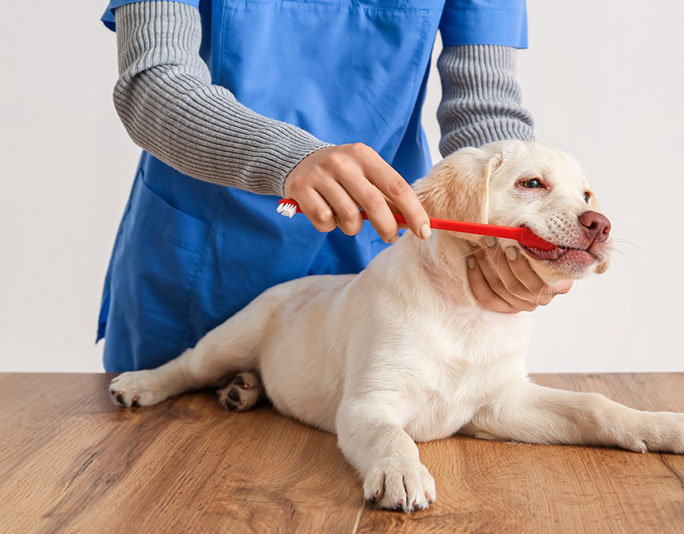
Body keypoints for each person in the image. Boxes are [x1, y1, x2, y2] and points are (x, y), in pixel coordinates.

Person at [98, 0, 573, 372]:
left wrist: (505, 231)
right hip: (201, 268)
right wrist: (288, 157)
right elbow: (153, 81)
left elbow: (484, 109)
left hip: (373, 266)